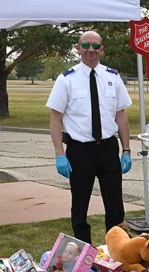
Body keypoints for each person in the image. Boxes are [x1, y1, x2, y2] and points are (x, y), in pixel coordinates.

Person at [47, 31, 133, 246]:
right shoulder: (66, 79)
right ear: (78, 48)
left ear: (102, 49)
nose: (91, 50)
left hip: (107, 148)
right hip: (80, 150)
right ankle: (82, 253)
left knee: (115, 206)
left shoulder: (113, 77)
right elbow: (55, 118)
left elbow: (120, 116)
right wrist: (59, 154)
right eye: (85, 45)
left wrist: (127, 150)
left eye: (96, 46)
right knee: (80, 206)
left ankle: (116, 250)